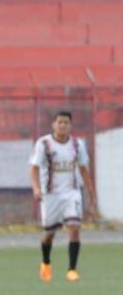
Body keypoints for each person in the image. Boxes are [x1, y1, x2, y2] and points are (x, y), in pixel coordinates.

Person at [30, 111, 97, 282]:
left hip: (71, 193)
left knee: (74, 228)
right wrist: (36, 188)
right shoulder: (44, 144)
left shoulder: (76, 144)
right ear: (53, 124)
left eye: (66, 122)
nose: (63, 125)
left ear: (70, 125)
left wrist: (91, 195)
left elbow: (83, 169)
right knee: (49, 233)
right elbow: (34, 168)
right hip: (50, 195)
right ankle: (46, 262)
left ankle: (72, 270)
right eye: (60, 122)